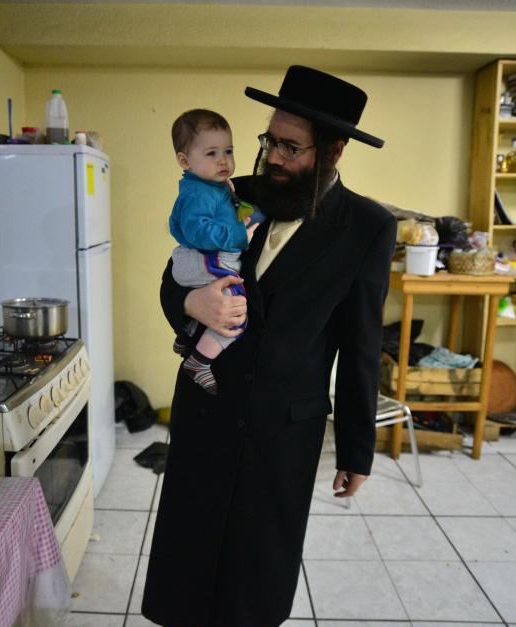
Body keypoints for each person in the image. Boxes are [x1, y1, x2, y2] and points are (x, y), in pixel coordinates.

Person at [142, 65, 397, 626]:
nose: (273, 157)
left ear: (333, 151)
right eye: (268, 140)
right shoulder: (231, 193)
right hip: (208, 407)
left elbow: (360, 345)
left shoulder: (366, 227)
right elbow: (174, 277)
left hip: (284, 430)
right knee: (188, 559)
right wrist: (191, 305)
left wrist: (357, 451)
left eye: (290, 146)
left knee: (256, 573)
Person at [167, 109, 261, 395]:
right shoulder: (198, 193)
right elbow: (199, 231)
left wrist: (253, 216)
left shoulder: (212, 186)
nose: (223, 160)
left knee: (218, 303)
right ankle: (199, 362)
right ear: (185, 160)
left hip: (200, 260)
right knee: (234, 312)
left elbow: (227, 211)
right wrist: (238, 234)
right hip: (205, 259)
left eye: (228, 150)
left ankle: (187, 337)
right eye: (211, 153)